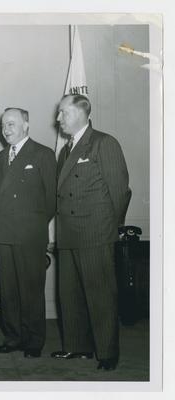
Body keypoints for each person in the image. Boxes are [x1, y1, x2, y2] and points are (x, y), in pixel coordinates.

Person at [51, 94, 131, 370]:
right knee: (69, 295)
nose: (58, 118)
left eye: (64, 113)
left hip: (95, 234)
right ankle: (77, 347)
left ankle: (108, 353)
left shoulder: (103, 143)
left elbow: (119, 192)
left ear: (83, 113)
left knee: (100, 295)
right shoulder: (66, 150)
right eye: (59, 113)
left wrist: (110, 230)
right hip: (69, 234)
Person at [0, 108, 57, 358]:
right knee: (8, 290)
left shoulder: (42, 154)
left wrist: (36, 225)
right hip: (4, 232)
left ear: (26, 125)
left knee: (31, 289)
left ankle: (33, 341)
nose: (6, 129)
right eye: (3, 125)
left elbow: (51, 199)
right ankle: (13, 337)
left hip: (30, 234)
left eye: (12, 124)